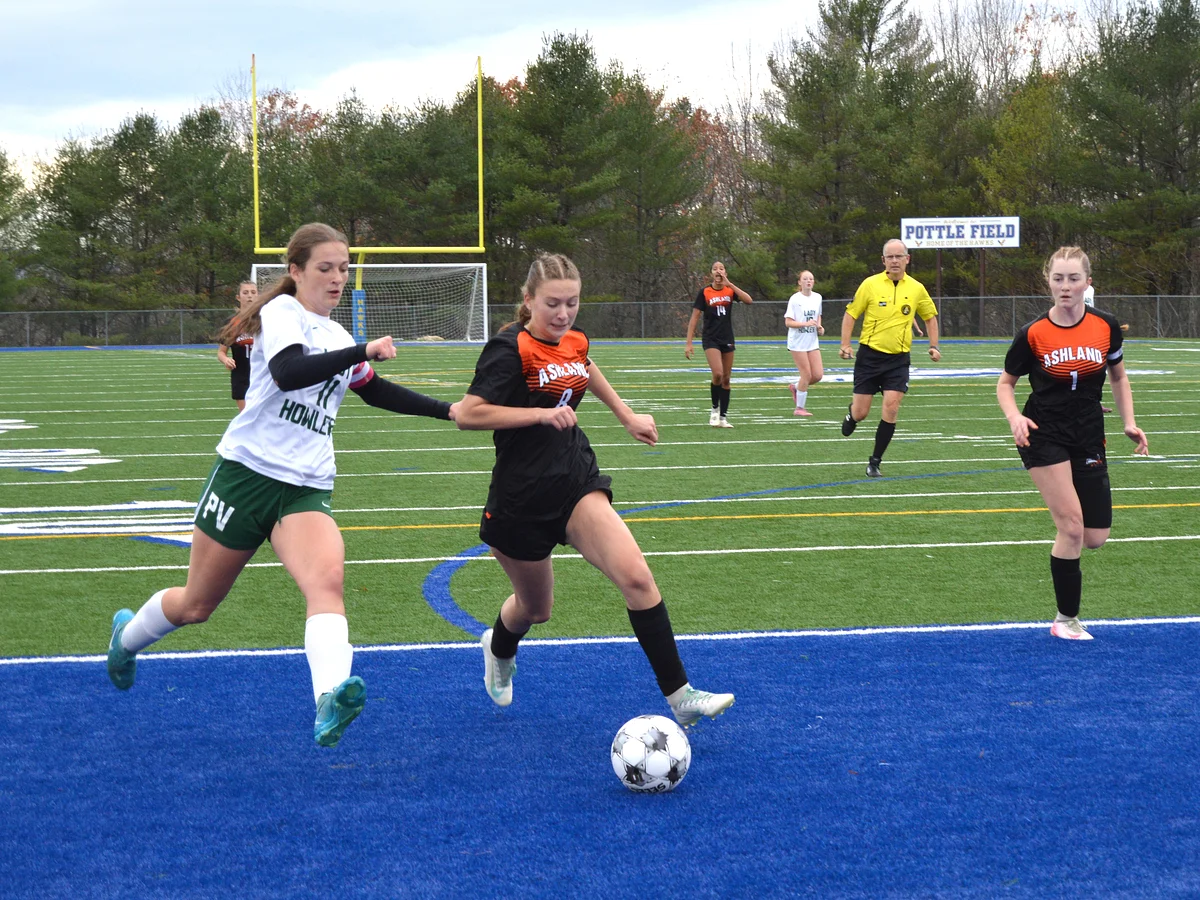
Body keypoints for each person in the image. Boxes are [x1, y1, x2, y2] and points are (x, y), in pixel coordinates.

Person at [106, 223, 458, 747]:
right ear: (295, 271)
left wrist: (450, 411)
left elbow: (375, 391)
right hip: (245, 475)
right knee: (196, 606)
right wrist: (362, 349)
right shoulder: (280, 314)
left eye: (343, 268)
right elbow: (291, 371)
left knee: (326, 584)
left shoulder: (338, 337)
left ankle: (328, 699)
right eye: (326, 268)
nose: (337, 278)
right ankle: (126, 640)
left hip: (306, 487)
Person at [455, 252, 734, 728]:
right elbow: (467, 414)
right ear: (528, 301)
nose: (563, 314)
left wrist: (626, 415)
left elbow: (585, 364)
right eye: (552, 304)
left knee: (637, 577)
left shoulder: (575, 339)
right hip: (520, 498)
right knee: (534, 610)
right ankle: (498, 647)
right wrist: (539, 414)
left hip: (575, 479)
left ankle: (680, 695)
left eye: (572, 303)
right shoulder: (509, 350)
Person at [997, 246, 1148, 640]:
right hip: (1042, 433)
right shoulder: (1032, 333)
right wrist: (1015, 417)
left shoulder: (1105, 325)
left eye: (1073, 279)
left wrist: (1129, 422)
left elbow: (1118, 377)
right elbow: (1005, 384)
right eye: (1058, 279)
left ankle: (1066, 606)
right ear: (1048, 282)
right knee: (1072, 527)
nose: (1066, 287)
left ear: (1087, 283)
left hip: (1088, 432)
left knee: (1095, 537)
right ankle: (1065, 621)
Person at [839, 239, 941, 477]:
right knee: (862, 412)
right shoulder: (870, 285)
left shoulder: (916, 288)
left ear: (908, 259)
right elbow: (851, 314)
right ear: (883, 260)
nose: (895, 261)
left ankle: (875, 462)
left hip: (898, 360)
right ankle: (852, 414)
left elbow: (930, 317)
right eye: (890, 257)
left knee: (892, 408)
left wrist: (934, 345)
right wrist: (845, 344)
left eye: (899, 256)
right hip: (869, 357)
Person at [685, 261, 753, 428]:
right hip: (710, 339)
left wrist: (730, 284)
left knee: (727, 379)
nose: (718, 271)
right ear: (711, 274)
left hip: (727, 338)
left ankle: (723, 418)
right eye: (715, 269)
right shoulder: (705, 292)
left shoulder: (730, 291)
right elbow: (694, 318)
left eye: (721, 268)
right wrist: (689, 343)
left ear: (725, 272)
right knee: (718, 374)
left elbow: (749, 300)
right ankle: (714, 409)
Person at [783, 270, 823, 417]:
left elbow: (818, 316)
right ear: (800, 282)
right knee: (806, 374)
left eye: (811, 279)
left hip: (812, 341)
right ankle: (799, 408)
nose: (808, 281)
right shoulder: (795, 299)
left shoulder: (818, 297)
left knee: (817, 375)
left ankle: (796, 387)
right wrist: (805, 324)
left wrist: (819, 327)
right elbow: (788, 322)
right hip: (798, 343)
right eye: (805, 279)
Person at [217, 280, 259, 412]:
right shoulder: (232, 322)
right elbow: (221, 352)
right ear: (238, 297)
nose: (250, 296)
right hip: (241, 375)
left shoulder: (265, 319)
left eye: (253, 292)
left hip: (262, 375)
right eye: (245, 293)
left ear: (258, 295)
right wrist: (226, 360)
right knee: (247, 416)